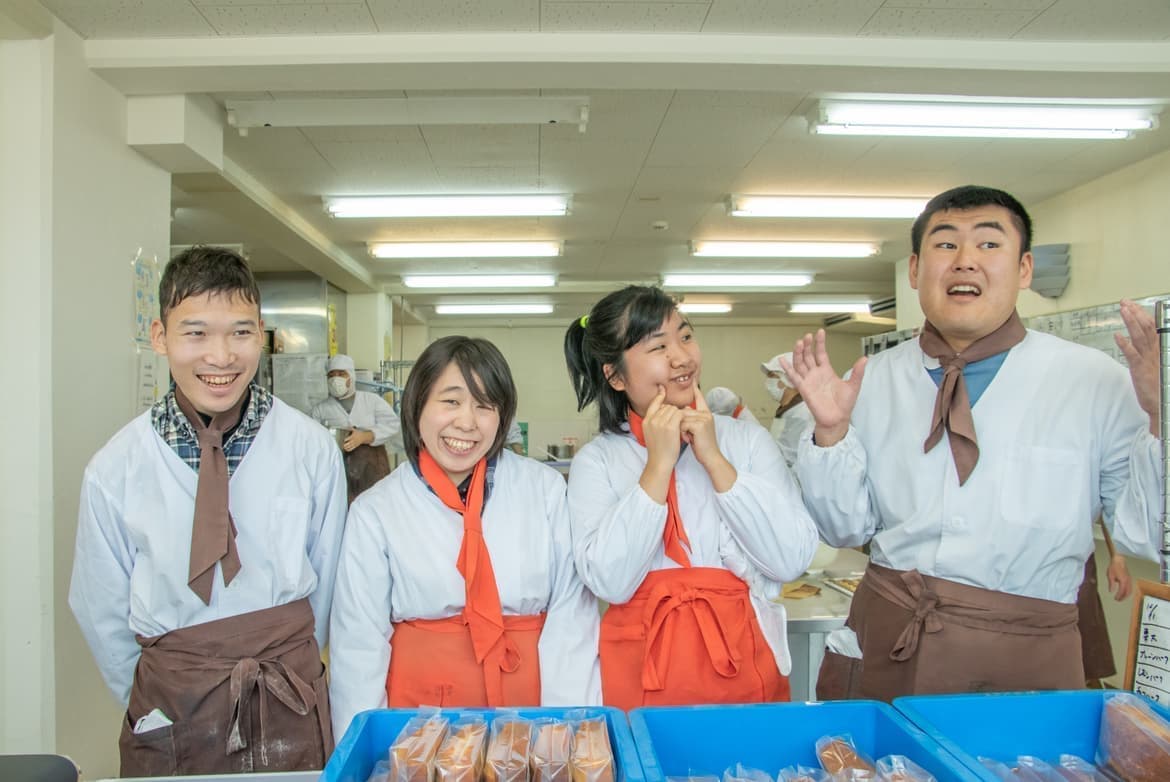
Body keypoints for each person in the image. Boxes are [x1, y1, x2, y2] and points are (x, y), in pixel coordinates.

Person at [783, 185, 1164, 701]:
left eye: (988, 245)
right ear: (915, 270)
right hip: (890, 635)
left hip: (1027, 652)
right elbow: (845, 528)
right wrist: (830, 433)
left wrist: (1160, 419)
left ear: (1024, 268)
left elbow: (1143, 535)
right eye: (945, 245)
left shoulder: (1094, 380)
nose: (965, 262)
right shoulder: (869, 380)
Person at [69, 246, 346, 776]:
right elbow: (98, 606)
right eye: (196, 333)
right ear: (160, 336)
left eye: (240, 333)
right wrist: (163, 688)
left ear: (260, 335)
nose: (220, 357)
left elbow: (328, 579)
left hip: (287, 691)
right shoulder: (117, 467)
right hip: (171, 702)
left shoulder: (309, 448)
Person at [328, 336, 601, 738]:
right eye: (451, 401)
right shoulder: (376, 511)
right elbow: (358, 646)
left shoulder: (544, 490)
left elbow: (572, 618)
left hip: (533, 710)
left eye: (484, 405)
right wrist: (367, 749)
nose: (467, 422)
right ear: (417, 403)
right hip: (419, 720)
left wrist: (567, 732)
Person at [563, 286, 819, 710]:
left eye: (685, 336)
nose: (682, 357)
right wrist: (658, 467)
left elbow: (790, 559)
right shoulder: (599, 460)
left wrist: (716, 460)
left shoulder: (745, 440)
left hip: (741, 663)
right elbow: (610, 581)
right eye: (658, 346)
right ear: (616, 375)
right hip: (641, 669)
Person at [310, 353, 402, 502]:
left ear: (351, 376)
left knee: (374, 504)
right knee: (341, 505)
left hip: (371, 468)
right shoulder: (320, 410)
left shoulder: (371, 401)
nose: (336, 379)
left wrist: (365, 437)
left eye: (341, 374)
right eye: (331, 375)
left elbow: (393, 424)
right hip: (337, 468)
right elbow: (312, 440)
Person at [760, 352, 815, 468]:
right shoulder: (787, 410)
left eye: (772, 376)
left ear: (788, 379)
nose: (767, 382)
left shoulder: (802, 413)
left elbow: (790, 458)